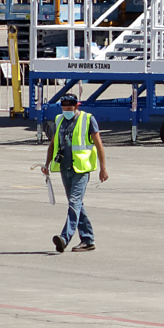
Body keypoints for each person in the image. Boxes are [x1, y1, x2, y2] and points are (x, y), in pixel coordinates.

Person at [48, 92, 108, 253]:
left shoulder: (88, 119)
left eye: (69, 108)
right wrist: (47, 164)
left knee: (74, 202)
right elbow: (53, 144)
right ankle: (88, 240)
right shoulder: (59, 119)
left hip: (81, 169)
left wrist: (103, 168)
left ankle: (64, 238)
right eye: (64, 108)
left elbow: (99, 145)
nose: (66, 110)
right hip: (64, 168)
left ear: (77, 107)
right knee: (77, 204)